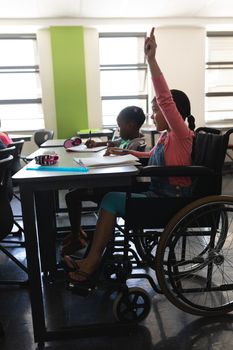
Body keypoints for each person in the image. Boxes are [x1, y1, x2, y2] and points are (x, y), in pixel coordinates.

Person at [64, 27, 196, 283]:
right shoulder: (168, 137)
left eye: (157, 110)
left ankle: (90, 265)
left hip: (170, 200)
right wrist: (126, 150)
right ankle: (92, 259)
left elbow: (165, 99)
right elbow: (149, 158)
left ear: (173, 113)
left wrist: (151, 59)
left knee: (111, 199)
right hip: (159, 194)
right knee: (111, 198)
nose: (155, 114)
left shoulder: (181, 134)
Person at [61, 105, 146, 256]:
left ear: (130, 125)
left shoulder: (136, 144)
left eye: (120, 126)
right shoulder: (130, 140)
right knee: (73, 194)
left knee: (72, 196)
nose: (118, 130)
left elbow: (126, 153)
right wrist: (98, 144)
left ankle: (77, 236)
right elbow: (116, 142)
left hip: (117, 189)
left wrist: (115, 154)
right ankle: (77, 233)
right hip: (115, 186)